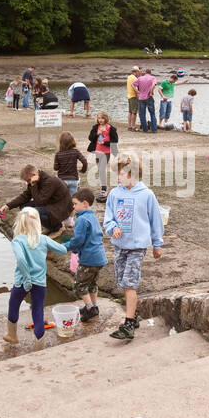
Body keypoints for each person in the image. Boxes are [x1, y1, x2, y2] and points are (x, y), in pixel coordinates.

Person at [104, 154, 164, 341]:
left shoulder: (146, 195)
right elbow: (108, 218)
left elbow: (156, 220)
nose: (118, 177)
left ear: (133, 174)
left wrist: (157, 244)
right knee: (122, 281)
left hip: (138, 246)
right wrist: (113, 228)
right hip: (120, 245)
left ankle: (128, 324)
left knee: (130, 283)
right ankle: (135, 315)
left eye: (121, 174)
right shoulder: (114, 194)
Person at [2, 206, 68, 349]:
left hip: (22, 282)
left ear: (20, 222)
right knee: (37, 311)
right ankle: (39, 344)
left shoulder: (18, 241)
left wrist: (26, 280)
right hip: (40, 282)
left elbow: (21, 260)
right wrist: (54, 246)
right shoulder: (43, 239)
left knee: (13, 305)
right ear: (38, 222)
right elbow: (63, 250)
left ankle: (12, 335)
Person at [66, 188, 107, 322]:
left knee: (79, 285)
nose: (73, 206)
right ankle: (94, 306)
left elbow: (78, 240)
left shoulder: (82, 220)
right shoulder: (92, 217)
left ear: (84, 204)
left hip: (89, 259)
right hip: (99, 258)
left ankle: (90, 308)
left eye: (75, 204)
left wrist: (65, 247)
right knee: (92, 284)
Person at [0, 164, 73, 233]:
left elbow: (39, 202)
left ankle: (58, 228)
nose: (28, 183)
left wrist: (33, 185)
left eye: (28, 180)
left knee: (31, 212)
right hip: (49, 203)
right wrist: (8, 206)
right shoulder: (35, 180)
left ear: (34, 175)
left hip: (60, 207)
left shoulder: (49, 181)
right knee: (24, 207)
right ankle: (49, 227)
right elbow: (26, 196)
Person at [87, 111, 119, 197]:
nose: (100, 120)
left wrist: (104, 143)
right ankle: (104, 186)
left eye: (102, 118)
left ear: (106, 119)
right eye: (99, 118)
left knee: (102, 169)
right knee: (100, 169)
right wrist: (97, 134)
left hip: (106, 152)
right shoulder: (95, 127)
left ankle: (104, 189)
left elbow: (115, 141)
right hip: (97, 151)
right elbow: (90, 138)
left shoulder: (110, 128)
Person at [54, 131, 89, 196]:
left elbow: (55, 168)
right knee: (73, 199)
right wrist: (83, 170)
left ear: (61, 142)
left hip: (62, 181)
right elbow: (85, 162)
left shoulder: (58, 154)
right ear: (72, 141)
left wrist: (59, 164)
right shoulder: (76, 152)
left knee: (63, 199)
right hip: (73, 180)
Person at [135, 68, 158, 132]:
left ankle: (145, 129)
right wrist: (151, 92)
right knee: (152, 113)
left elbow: (132, 84)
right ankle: (154, 129)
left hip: (141, 98)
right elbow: (153, 85)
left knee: (142, 114)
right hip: (149, 97)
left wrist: (137, 91)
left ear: (145, 72)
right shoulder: (153, 78)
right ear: (150, 73)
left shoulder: (140, 78)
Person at [126, 66, 140, 130]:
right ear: (136, 71)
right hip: (133, 96)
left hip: (129, 96)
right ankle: (133, 126)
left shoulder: (129, 77)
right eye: (138, 72)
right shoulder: (134, 78)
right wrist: (138, 95)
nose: (138, 73)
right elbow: (135, 87)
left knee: (130, 111)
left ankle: (129, 125)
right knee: (134, 112)